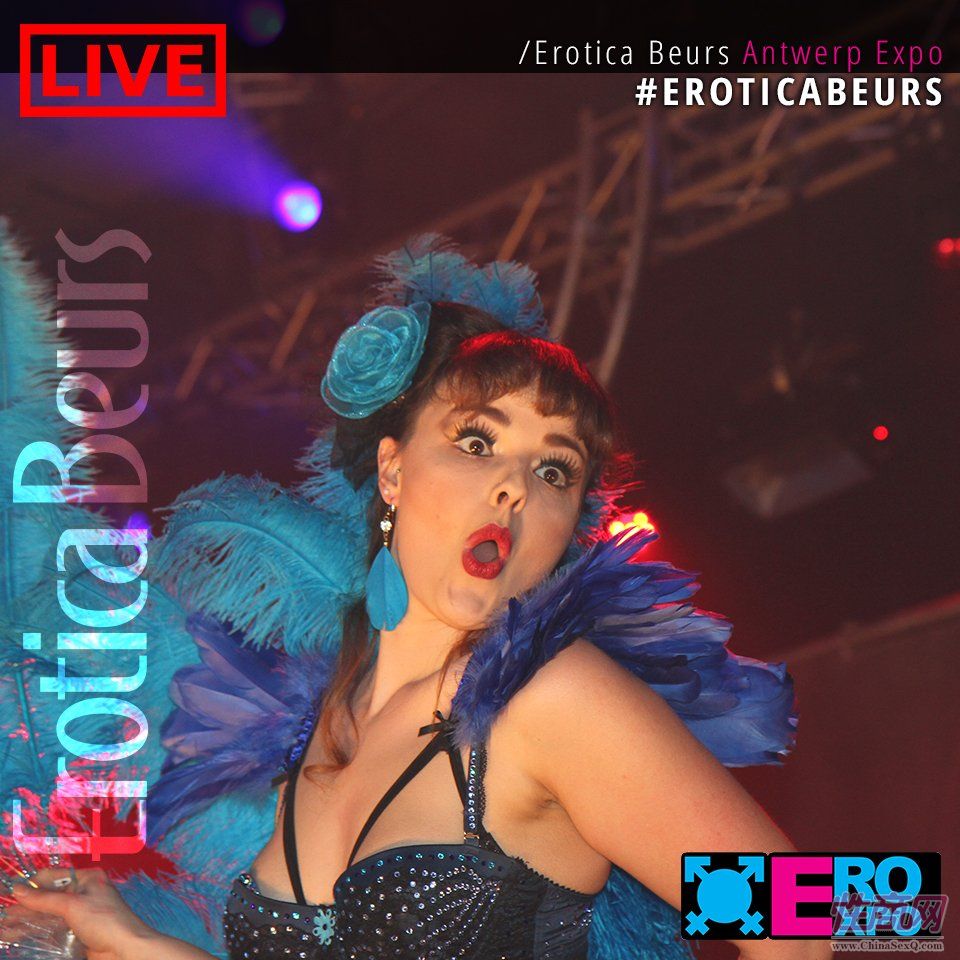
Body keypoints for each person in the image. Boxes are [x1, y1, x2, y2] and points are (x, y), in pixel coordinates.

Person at [3, 236, 827, 960]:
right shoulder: (314, 740)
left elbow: (820, 913)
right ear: (393, 472)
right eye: (477, 441)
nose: (514, 486)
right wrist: (141, 943)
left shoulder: (552, 700)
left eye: (554, 469)